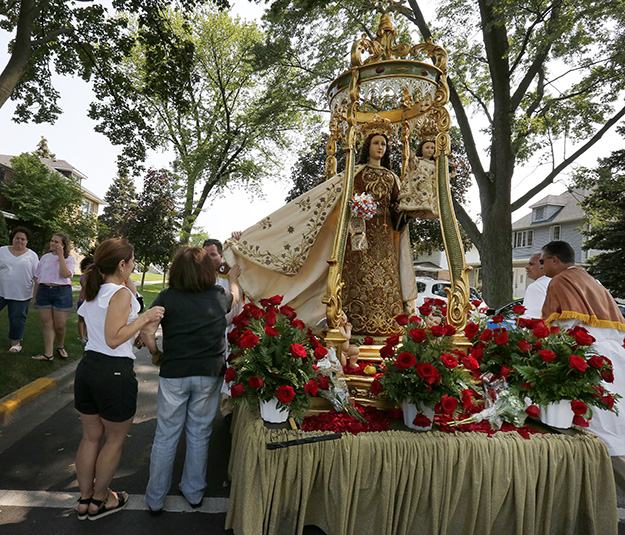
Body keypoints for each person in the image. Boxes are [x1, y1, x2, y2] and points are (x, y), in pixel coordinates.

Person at [223, 121, 417, 338]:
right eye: (376, 143)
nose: (380, 147)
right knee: (358, 282)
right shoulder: (355, 174)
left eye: (384, 144)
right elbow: (337, 201)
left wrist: (406, 212)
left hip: (386, 242)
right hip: (359, 240)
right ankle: (350, 327)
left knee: (386, 283)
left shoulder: (392, 178)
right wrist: (357, 208)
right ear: (367, 147)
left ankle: (387, 327)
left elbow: (397, 207)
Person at [141, 247, 241, 515]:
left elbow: (148, 330)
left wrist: (155, 353)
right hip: (208, 372)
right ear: (206, 270)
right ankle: (194, 491)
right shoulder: (218, 295)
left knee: (166, 435)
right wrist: (234, 277)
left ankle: (155, 498)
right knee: (199, 433)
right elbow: (235, 298)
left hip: (174, 372)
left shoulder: (166, 297)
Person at [73, 238, 164, 520]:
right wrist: (145, 318)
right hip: (113, 372)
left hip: (88, 367)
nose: (134, 265)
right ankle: (102, 500)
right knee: (113, 440)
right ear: (122, 265)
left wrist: (131, 332)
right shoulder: (120, 293)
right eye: (132, 261)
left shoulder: (93, 288)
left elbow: (103, 332)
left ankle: (85, 498)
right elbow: (113, 339)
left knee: (90, 437)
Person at [540, 240, 625, 490]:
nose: (541, 266)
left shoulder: (560, 281)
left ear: (556, 260)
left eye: (543, 261)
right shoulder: (592, 280)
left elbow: (564, 328)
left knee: (595, 431)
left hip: (585, 360)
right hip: (613, 360)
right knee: (616, 426)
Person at [32, 233, 76, 361]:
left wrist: (61, 255)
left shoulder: (70, 259)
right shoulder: (45, 258)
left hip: (61, 292)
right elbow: (37, 278)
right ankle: (48, 354)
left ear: (63, 245)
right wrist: (35, 297)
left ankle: (60, 346)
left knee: (60, 325)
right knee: (47, 324)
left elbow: (65, 274)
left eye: (57, 242)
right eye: (52, 241)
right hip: (44, 292)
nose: (53, 243)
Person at [0, 226, 39, 352]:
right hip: (1, 291)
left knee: (17, 318)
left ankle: (15, 343)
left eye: (23, 239)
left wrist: (36, 296)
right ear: (13, 238)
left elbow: (36, 276)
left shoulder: (32, 255)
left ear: (27, 241)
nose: (19, 241)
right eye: (17, 238)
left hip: (22, 293)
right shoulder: (2, 251)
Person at [397, 138, 439, 219]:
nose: (430, 150)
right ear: (421, 149)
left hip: (429, 190)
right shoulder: (418, 161)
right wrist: (407, 146)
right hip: (417, 188)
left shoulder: (435, 165)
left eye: (432, 148)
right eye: (427, 148)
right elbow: (411, 161)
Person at [521, 253, 550, 319]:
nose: (527, 267)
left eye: (531, 264)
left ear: (542, 266)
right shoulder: (559, 282)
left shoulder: (536, 287)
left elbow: (534, 319)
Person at [77, 256, 94, 343]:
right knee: (81, 320)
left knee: (87, 320)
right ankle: (82, 336)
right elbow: (85, 287)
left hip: (89, 300)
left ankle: (85, 335)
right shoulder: (83, 277)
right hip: (82, 300)